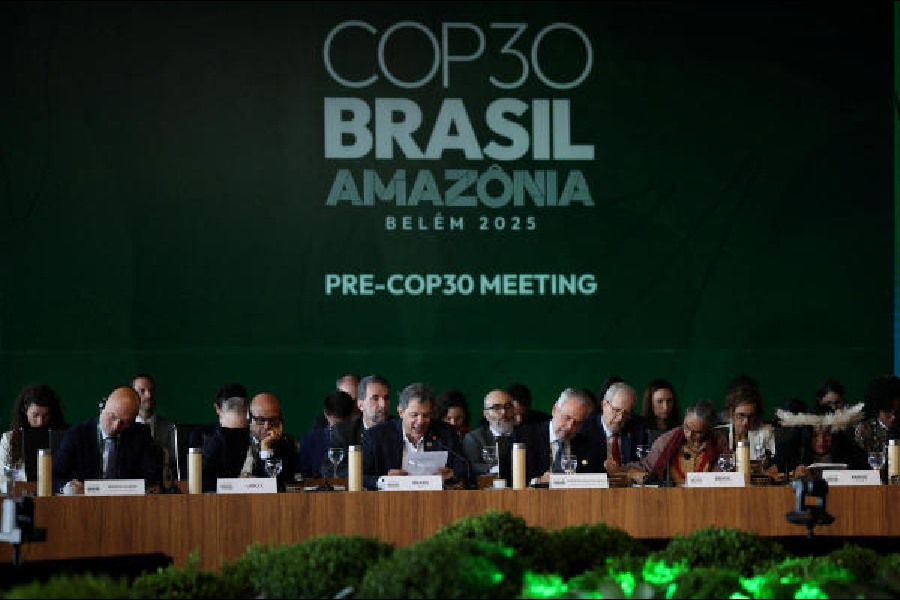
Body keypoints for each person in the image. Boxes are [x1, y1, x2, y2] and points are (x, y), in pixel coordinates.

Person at [53, 386, 161, 494]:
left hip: (128, 504)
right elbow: (53, 477)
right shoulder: (76, 435)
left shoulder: (141, 435)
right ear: (103, 407)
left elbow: (153, 478)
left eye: (124, 422)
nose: (116, 426)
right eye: (112, 417)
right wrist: (66, 487)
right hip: (85, 504)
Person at [362, 382, 470, 490]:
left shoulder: (446, 433)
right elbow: (361, 477)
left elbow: (464, 469)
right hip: (390, 501)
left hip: (436, 500)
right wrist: (385, 481)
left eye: (426, 415)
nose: (420, 421)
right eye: (414, 415)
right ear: (401, 412)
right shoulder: (377, 436)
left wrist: (452, 475)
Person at [202, 392, 297, 492]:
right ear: (249, 419)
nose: (267, 426)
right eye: (260, 420)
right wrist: (239, 484)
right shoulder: (225, 439)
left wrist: (266, 450)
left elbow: (279, 487)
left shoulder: (286, 445)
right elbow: (205, 480)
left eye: (273, 420)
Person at [508, 387, 603, 485]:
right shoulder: (523, 438)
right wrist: (538, 482)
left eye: (577, 422)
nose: (570, 427)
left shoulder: (589, 445)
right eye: (567, 418)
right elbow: (510, 481)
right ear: (554, 410)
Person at [627, 399, 729, 486]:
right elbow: (642, 468)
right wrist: (637, 475)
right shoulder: (667, 441)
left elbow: (724, 478)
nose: (689, 434)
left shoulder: (719, 444)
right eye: (686, 427)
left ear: (709, 429)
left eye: (697, 432)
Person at [0, 383, 68, 489]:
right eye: (35, 415)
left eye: (45, 416)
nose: (40, 422)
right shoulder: (9, 439)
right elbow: (2, 480)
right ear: (25, 411)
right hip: (22, 497)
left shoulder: (66, 436)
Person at [774, 404, 867, 477]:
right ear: (807, 435)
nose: (821, 440)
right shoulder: (790, 454)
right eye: (815, 435)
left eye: (827, 434)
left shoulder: (852, 453)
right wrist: (794, 477)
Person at [590, 382, 649, 473]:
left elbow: (645, 466)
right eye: (616, 410)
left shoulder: (639, 429)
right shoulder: (585, 430)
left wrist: (621, 471)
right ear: (604, 404)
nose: (620, 418)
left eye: (626, 413)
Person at [131, 374, 178, 487]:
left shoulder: (171, 428)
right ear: (132, 396)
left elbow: (176, 465)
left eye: (151, 390)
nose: (149, 395)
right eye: (142, 391)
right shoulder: (124, 428)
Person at [298, 389, 356, 478]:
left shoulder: (364, 439)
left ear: (352, 416)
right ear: (326, 414)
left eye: (343, 425)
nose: (339, 430)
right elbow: (303, 475)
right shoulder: (309, 441)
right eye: (336, 425)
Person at [462, 388, 515, 476]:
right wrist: (500, 469)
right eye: (496, 408)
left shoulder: (526, 436)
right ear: (486, 414)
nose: (503, 412)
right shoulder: (474, 438)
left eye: (508, 406)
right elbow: (472, 465)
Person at [721, 383, 774, 459]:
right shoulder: (720, 434)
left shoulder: (766, 432)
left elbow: (773, 464)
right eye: (741, 415)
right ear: (731, 413)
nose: (746, 421)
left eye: (751, 416)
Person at [189, 382, 249, 449]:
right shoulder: (200, 435)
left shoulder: (251, 433)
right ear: (218, 408)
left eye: (240, 408)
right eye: (230, 407)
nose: (235, 413)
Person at [854, 374, 900, 453]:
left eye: (898, 411)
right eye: (887, 411)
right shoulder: (863, 431)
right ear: (876, 410)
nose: (893, 417)